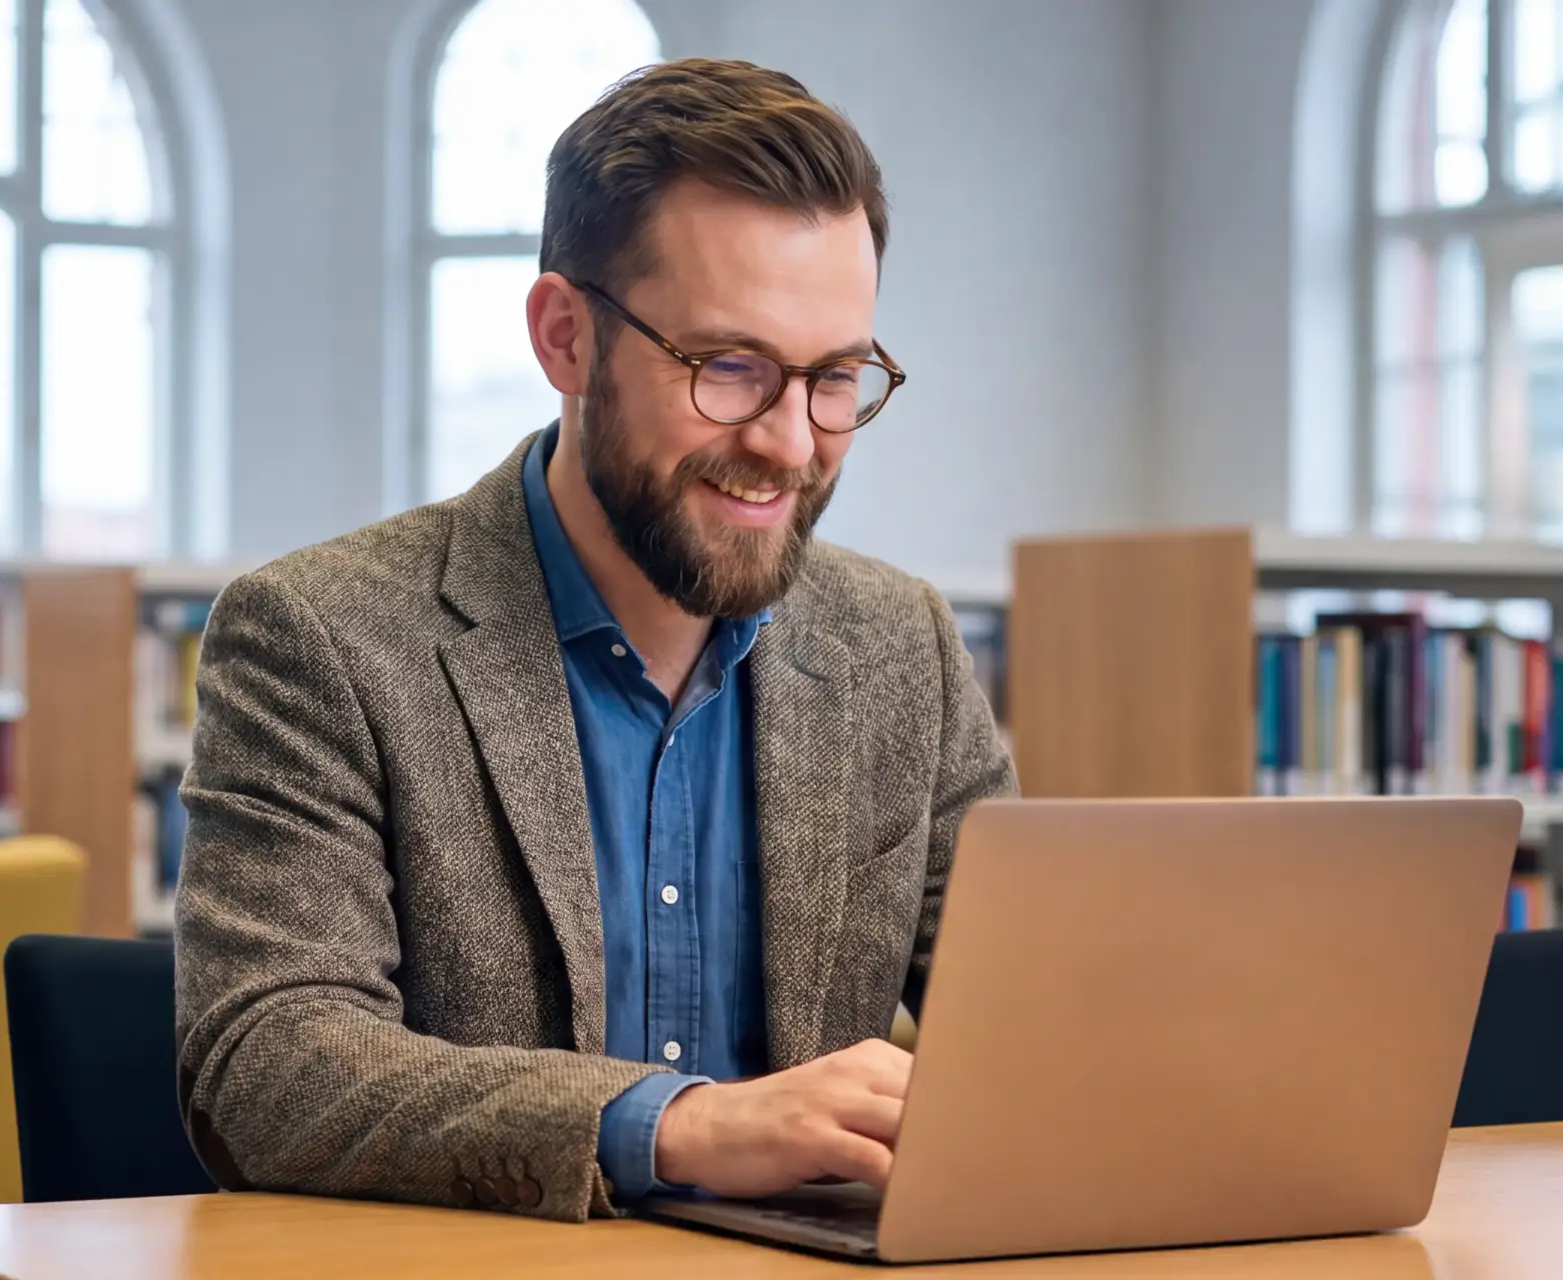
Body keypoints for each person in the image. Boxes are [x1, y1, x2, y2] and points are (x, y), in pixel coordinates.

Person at [173, 57, 1014, 1222]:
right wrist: (682, 1123)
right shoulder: (321, 635)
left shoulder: (899, 648)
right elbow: (266, 1063)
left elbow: (1034, 1031)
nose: (788, 440)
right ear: (566, 337)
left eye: (833, 378)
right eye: (730, 368)